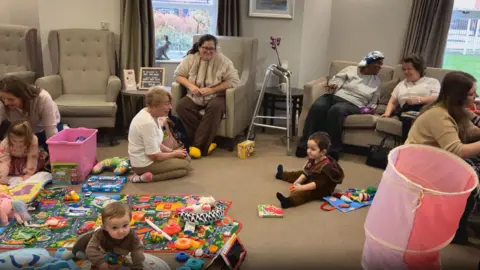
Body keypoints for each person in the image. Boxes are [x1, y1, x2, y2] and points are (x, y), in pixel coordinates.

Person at [405, 71, 480, 245]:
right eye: (471, 94)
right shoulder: (439, 115)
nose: (475, 96)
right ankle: (455, 230)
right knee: (472, 176)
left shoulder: (457, 110)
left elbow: (470, 131)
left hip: (437, 158)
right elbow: (456, 150)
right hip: (421, 164)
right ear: (458, 95)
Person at [296, 51, 385, 160]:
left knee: (336, 110)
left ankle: (332, 151)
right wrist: (333, 85)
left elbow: (374, 101)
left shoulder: (376, 82)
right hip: (335, 96)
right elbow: (337, 80)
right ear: (369, 63)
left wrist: (368, 109)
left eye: (381, 64)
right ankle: (305, 145)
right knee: (318, 107)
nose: (380, 67)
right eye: (378, 64)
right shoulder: (351, 69)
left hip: (354, 104)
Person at [174, 34, 240, 159]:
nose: (208, 51)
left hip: (217, 95)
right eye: (205, 48)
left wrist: (212, 89)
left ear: (216, 49)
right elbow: (178, 75)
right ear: (199, 47)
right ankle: (210, 141)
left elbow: (233, 81)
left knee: (215, 108)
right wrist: (191, 87)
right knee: (181, 106)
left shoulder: (224, 61)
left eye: (212, 49)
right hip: (195, 95)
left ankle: (197, 146)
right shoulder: (190, 59)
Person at [128, 86, 190, 182]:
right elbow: (154, 156)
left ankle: (143, 175)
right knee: (184, 167)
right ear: (154, 105)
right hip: (144, 164)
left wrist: (171, 151)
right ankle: (142, 178)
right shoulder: (147, 123)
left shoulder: (153, 115)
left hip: (149, 158)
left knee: (186, 158)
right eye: (167, 104)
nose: (170, 107)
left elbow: (156, 143)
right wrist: (173, 154)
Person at [276, 132, 344, 208]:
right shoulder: (314, 158)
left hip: (320, 189)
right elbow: (306, 173)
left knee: (307, 192)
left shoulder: (326, 168)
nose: (308, 151)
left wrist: (301, 188)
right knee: (298, 173)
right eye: (308, 148)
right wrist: (297, 182)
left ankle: (288, 201)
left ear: (323, 152)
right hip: (314, 178)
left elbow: (315, 184)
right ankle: (281, 175)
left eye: (313, 149)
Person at [381, 54, 440, 141]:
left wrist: (418, 100)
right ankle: (408, 146)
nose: (406, 72)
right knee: (408, 117)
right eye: (404, 69)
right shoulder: (401, 84)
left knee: (418, 116)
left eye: (409, 69)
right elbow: (393, 102)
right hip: (406, 110)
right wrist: (387, 113)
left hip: (424, 108)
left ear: (419, 69)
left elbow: (436, 97)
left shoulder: (431, 82)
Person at [72, 202, 145, 270]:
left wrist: (137, 266)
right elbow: (90, 249)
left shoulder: (132, 237)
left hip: (119, 251)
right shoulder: (100, 234)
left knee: (139, 247)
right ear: (105, 228)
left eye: (125, 225)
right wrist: (101, 262)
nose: (121, 231)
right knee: (83, 246)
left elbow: (138, 251)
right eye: (114, 227)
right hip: (104, 248)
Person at [0, 76, 62, 150]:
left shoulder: (43, 98)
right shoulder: (2, 102)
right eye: (3, 98)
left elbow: (50, 132)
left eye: (11, 99)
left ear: (22, 96)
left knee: (52, 150)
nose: (6, 102)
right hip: (23, 132)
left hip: (44, 129)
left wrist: (54, 152)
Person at [0, 120, 46, 185]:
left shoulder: (33, 139)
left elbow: (32, 157)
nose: (18, 144)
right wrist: (3, 176)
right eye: (14, 141)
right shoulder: (5, 143)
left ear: (28, 138)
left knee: (35, 164)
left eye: (21, 141)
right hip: (12, 159)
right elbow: (4, 160)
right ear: (9, 137)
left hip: (28, 159)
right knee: (3, 166)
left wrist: (29, 173)